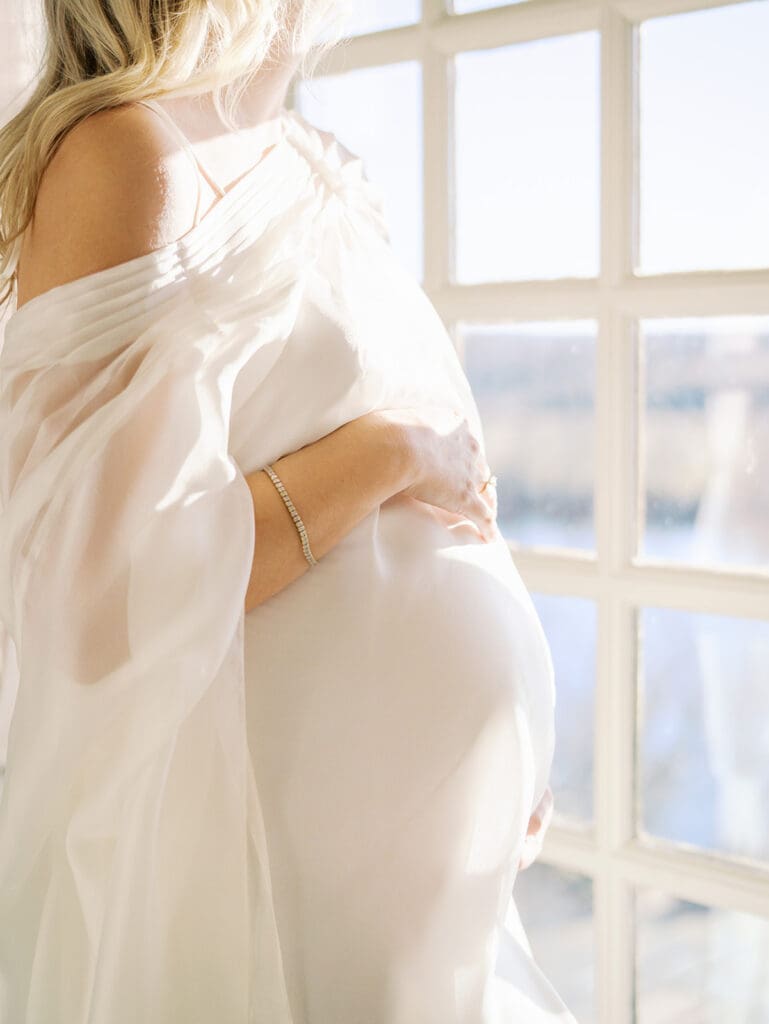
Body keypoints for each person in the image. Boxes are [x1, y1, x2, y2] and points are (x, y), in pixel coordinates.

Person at [0, 1, 575, 1021]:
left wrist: (509, 753)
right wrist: (386, 453)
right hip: (257, 871)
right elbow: (94, 605)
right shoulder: (124, 153)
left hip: (407, 872)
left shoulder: (307, 158)